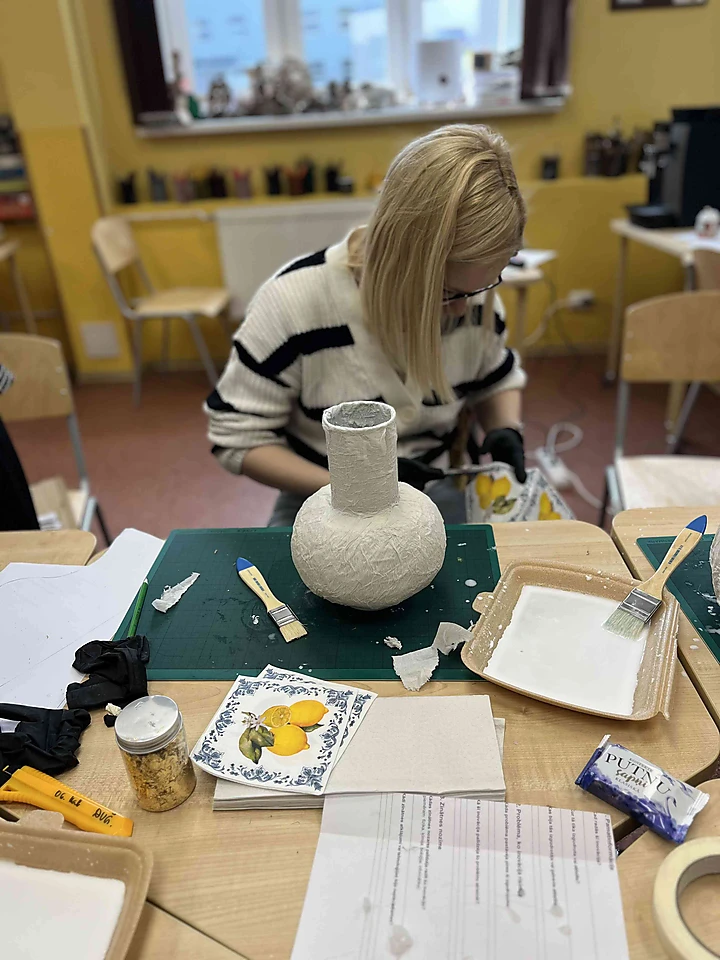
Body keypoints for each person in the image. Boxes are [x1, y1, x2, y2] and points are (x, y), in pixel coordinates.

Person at [206, 124, 527, 526]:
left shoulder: (473, 302)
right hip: (321, 493)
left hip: (433, 485)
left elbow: (494, 379)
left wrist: (504, 427)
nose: (463, 309)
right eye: (446, 292)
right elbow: (236, 437)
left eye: (480, 288)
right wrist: (351, 488)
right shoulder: (295, 304)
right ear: (396, 258)